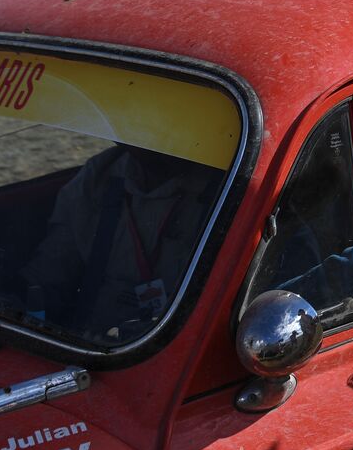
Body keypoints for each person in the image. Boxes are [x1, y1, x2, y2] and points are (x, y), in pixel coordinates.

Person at [21, 143, 222, 339]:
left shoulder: (225, 189)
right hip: (89, 342)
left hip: (171, 347)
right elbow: (49, 273)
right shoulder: (101, 175)